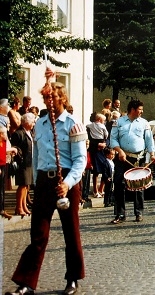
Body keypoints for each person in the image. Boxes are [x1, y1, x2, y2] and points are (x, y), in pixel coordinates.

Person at [5, 78, 87, 295]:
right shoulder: (39, 124)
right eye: (45, 98)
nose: (48, 101)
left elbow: (80, 160)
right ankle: (26, 283)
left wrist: (67, 184)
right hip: (44, 182)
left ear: (62, 99)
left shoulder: (73, 124)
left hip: (67, 181)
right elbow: (39, 155)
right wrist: (35, 184)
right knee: (38, 234)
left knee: (71, 232)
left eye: (51, 97)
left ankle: (72, 279)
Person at [109, 99, 155, 224]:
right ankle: (120, 214)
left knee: (138, 185)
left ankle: (139, 212)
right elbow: (113, 139)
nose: (142, 111)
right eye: (140, 109)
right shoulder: (118, 122)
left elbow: (149, 141)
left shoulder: (144, 123)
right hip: (122, 157)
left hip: (138, 158)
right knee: (118, 183)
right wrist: (119, 151)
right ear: (133, 109)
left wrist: (152, 154)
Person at [10, 112, 36, 217]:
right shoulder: (19, 133)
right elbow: (15, 148)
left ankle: (24, 205)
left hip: (29, 162)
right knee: (22, 185)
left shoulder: (30, 132)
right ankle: (19, 207)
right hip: (22, 163)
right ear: (26, 122)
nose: (34, 123)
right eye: (33, 121)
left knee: (26, 186)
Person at [87, 113, 109, 198]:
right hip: (95, 150)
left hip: (103, 149)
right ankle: (95, 190)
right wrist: (98, 144)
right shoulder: (89, 127)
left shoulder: (90, 126)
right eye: (103, 121)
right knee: (96, 170)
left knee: (106, 168)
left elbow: (107, 138)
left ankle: (101, 189)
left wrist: (104, 144)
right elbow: (89, 139)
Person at [1, 125, 17, 220]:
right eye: (4, 134)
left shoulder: (3, 142)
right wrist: (12, 149)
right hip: (1, 166)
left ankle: (2, 208)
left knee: (2, 189)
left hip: (4, 164)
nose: (6, 135)